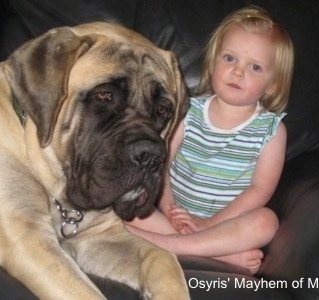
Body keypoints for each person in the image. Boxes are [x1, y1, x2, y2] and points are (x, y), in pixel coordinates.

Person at [125, 5, 294, 274]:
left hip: (225, 225)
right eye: (229, 58)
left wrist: (210, 224)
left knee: (267, 222)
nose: (238, 72)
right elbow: (162, 164)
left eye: (255, 67)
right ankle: (214, 253)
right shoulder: (188, 112)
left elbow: (259, 191)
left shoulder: (271, 130)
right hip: (173, 217)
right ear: (214, 61)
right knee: (126, 202)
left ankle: (169, 245)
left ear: (272, 85)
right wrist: (169, 208)